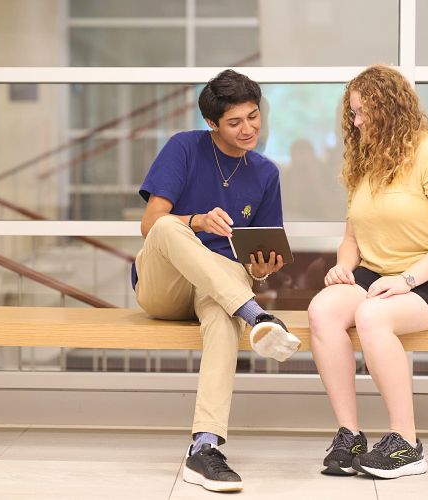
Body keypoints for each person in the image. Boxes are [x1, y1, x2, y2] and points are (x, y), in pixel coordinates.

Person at [132, 69, 301, 492]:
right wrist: (197, 220)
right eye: (235, 122)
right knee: (170, 228)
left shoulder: (266, 173)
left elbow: (256, 256)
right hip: (164, 285)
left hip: (221, 286)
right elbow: (149, 224)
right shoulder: (184, 148)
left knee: (226, 315)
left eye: (253, 117)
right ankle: (256, 315)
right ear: (212, 124)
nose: (248, 129)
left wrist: (261, 268)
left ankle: (204, 448)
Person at [307, 65, 428, 479]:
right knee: (322, 309)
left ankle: (406, 443)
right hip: (379, 275)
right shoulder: (366, 161)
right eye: (353, 113)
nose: (356, 121)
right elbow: (352, 238)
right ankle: (349, 435)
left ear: (390, 108)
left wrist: (407, 280)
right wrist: (343, 269)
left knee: (371, 315)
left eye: (363, 112)